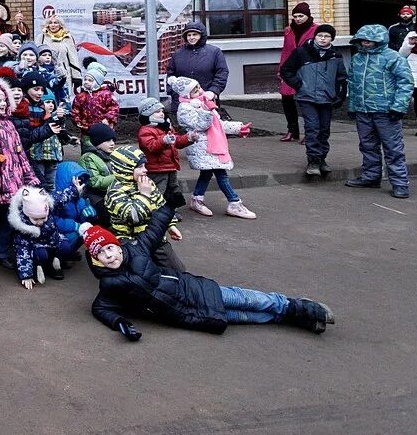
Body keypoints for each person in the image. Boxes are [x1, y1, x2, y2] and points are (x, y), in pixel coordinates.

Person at [83, 206, 335, 340]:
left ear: (116, 244)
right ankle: (290, 318)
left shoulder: (137, 249)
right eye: (102, 254)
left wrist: (169, 202)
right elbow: (100, 308)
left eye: (110, 248)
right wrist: (120, 324)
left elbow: (155, 227)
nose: (110, 256)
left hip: (194, 290)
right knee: (243, 317)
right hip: (183, 314)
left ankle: (299, 308)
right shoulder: (109, 284)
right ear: (97, 260)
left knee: (246, 299)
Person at [0, 76, 39, 268]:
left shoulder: (10, 125)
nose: (3, 104)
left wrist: (30, 176)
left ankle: (2, 253)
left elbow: (20, 155)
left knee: (8, 221)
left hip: (14, 184)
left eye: (4, 100)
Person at [171, 76, 256, 219]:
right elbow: (200, 125)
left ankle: (197, 199)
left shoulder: (204, 102)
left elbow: (218, 124)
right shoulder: (185, 108)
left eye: (198, 87)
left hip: (212, 145)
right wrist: (206, 111)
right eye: (194, 90)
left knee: (207, 173)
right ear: (186, 95)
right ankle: (234, 203)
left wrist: (238, 128)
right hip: (203, 147)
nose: (199, 91)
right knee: (221, 174)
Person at [346, 25, 413, 199]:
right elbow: (352, 84)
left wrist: (399, 107)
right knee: (367, 146)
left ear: (380, 39)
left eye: (370, 39)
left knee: (393, 148)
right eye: (363, 39)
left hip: (386, 111)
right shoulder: (357, 59)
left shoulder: (393, 58)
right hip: (363, 110)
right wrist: (352, 106)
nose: (365, 42)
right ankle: (370, 177)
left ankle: (400, 183)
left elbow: (405, 83)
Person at [280, 24, 347, 177]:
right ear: (315, 36)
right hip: (307, 97)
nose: (323, 39)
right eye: (320, 36)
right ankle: (313, 160)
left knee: (324, 129)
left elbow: (341, 77)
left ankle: (322, 158)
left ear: (332, 39)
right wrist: (299, 85)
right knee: (312, 128)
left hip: (327, 98)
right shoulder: (302, 52)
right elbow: (286, 70)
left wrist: (340, 95)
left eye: (327, 36)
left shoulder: (335, 55)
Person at [104, 145, 184, 271]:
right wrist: (144, 195)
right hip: (131, 240)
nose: (145, 170)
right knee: (142, 272)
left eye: (145, 166)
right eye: (140, 167)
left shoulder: (147, 183)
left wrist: (170, 225)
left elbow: (160, 204)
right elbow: (134, 217)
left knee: (177, 270)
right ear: (125, 169)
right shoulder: (115, 193)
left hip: (155, 235)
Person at [7, 183, 81, 288]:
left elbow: (61, 197)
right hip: (36, 247)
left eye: (43, 218)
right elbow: (23, 252)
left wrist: (75, 189)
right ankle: (38, 266)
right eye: (35, 219)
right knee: (41, 254)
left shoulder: (46, 204)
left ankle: (54, 262)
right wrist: (26, 275)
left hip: (53, 240)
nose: (40, 222)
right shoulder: (23, 228)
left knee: (65, 247)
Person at [136, 97, 194, 209]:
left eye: (162, 111)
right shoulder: (145, 130)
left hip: (170, 166)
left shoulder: (165, 127)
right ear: (148, 114)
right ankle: (156, 211)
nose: (161, 114)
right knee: (159, 190)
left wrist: (188, 138)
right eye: (157, 112)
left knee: (173, 189)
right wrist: (164, 141)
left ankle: (171, 211)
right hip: (156, 168)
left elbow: (176, 141)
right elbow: (151, 146)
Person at [277, 2, 318, 142]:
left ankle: (310, 133)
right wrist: (281, 70)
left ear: (308, 16)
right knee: (287, 100)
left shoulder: (316, 30)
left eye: (301, 16)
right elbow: (285, 51)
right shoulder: (289, 31)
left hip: (307, 69)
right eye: (295, 16)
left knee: (306, 102)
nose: (297, 19)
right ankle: (292, 131)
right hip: (290, 69)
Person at [165, 20, 228, 104]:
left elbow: (222, 73)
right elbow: (171, 75)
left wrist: (213, 91)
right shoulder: (178, 54)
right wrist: (175, 94)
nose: (191, 37)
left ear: (201, 35)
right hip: (183, 102)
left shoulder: (215, 52)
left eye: (195, 34)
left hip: (206, 101)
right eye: (189, 35)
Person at [70, 62, 119, 138]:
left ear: (97, 82)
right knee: (88, 148)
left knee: (104, 147)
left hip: (104, 129)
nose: (86, 82)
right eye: (85, 79)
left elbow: (114, 108)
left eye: (90, 80)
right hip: (86, 131)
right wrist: (78, 122)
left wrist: (108, 119)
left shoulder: (106, 94)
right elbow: (75, 110)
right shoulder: (80, 96)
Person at [80, 123, 117, 222]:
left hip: (111, 192)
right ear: (97, 142)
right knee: (106, 215)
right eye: (108, 140)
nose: (112, 143)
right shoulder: (88, 157)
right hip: (95, 196)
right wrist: (118, 176)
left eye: (113, 140)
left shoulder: (112, 155)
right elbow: (94, 181)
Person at [36, 14, 83, 92]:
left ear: (60, 25)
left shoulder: (67, 37)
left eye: (56, 23)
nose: (53, 25)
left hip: (65, 74)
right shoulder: (41, 37)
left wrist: (77, 78)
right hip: (47, 74)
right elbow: (37, 56)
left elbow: (73, 58)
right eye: (50, 23)